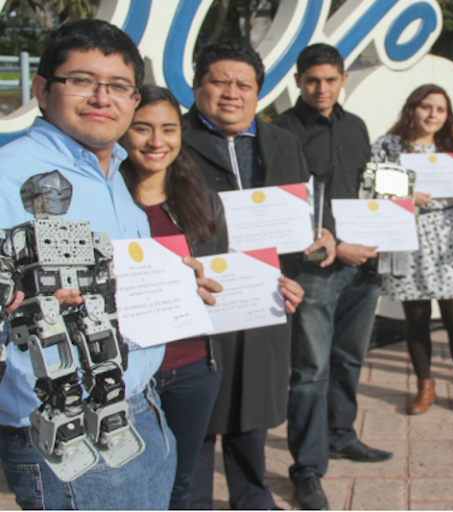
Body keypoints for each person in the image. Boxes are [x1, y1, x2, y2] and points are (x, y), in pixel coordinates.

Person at [0, 19, 217, 509]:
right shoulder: (9, 177)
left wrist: (174, 283)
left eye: (119, 86)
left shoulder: (113, 173)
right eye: (81, 81)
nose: (103, 97)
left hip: (142, 408)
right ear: (41, 90)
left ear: (134, 99)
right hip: (69, 431)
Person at [179, 40, 314, 510]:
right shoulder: (171, 141)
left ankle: (252, 498)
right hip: (199, 294)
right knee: (197, 407)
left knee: (252, 403)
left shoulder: (282, 143)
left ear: (258, 93)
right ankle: (190, 501)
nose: (231, 92)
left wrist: (303, 262)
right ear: (197, 87)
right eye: (219, 81)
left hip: (263, 295)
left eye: (244, 84)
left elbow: (295, 226)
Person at [272, 43, 391, 510]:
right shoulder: (282, 132)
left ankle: (341, 433)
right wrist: (338, 246)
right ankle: (307, 468)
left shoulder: (356, 126)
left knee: (348, 360)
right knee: (310, 371)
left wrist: (393, 215)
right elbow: (285, 206)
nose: (321, 88)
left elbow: (368, 188)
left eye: (329, 79)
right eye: (311, 80)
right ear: (298, 82)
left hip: (363, 267)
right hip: (316, 269)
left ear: (342, 79)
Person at [119, 84, 230, 509]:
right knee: (130, 488)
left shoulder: (201, 200)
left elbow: (222, 270)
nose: (156, 142)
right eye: (142, 128)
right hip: (128, 374)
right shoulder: (106, 200)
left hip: (193, 368)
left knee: (181, 483)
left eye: (168, 129)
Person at [371, 84, 453, 416]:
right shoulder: (387, 146)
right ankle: (425, 386)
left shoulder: (451, 146)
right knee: (416, 317)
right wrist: (408, 193)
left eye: (441, 109)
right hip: (407, 233)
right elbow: (373, 184)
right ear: (412, 108)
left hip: (451, 236)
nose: (433, 115)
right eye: (426, 107)